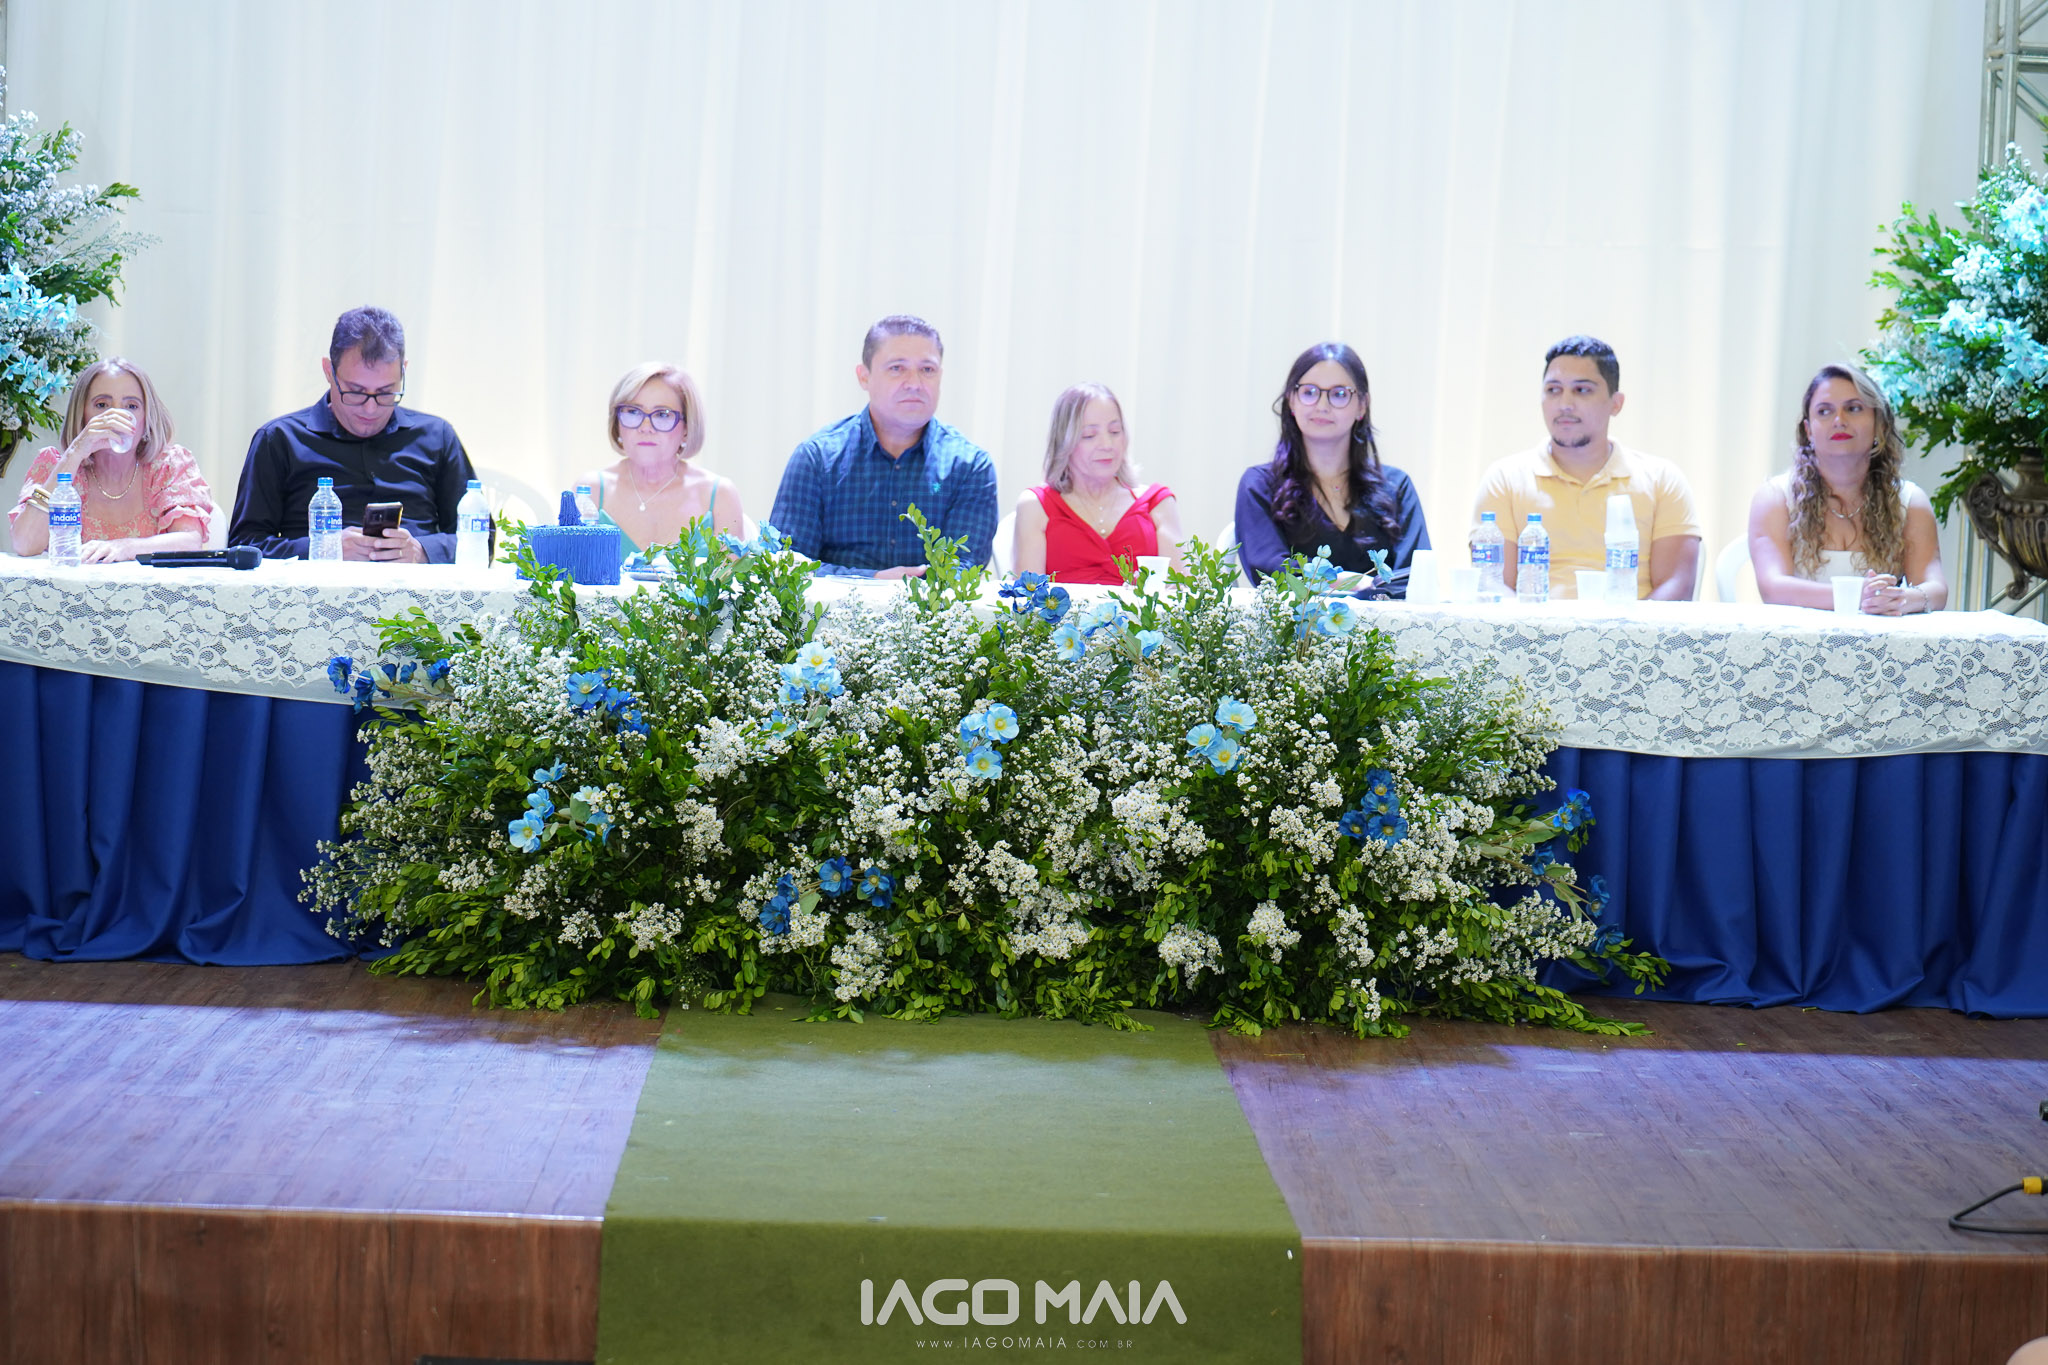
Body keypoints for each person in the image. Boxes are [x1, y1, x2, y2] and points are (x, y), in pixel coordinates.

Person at [228, 306, 475, 563]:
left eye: (386, 392)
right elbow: (244, 545)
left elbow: (481, 538)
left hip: (417, 586)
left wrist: (422, 551)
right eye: (355, 391)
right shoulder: (279, 440)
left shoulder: (437, 436)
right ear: (329, 371)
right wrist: (324, 549)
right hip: (316, 586)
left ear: (403, 371)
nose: (370, 409)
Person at [1472, 335, 1701, 599]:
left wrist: (1622, 627)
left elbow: (1676, 586)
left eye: (1582, 390)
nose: (1565, 404)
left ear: (1616, 403)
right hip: (1533, 624)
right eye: (1553, 390)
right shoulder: (1504, 479)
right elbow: (1492, 584)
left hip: (1632, 623)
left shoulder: (1662, 479)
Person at [770, 314, 997, 578]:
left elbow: (962, 572)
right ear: (864, 377)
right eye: (897, 368)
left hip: (930, 606)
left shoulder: (970, 467)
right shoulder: (817, 459)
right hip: (830, 606)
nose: (914, 384)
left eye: (927, 370)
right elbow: (785, 566)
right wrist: (873, 582)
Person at [1747, 362, 1946, 614]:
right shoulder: (1775, 498)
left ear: (1879, 424)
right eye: (1824, 411)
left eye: (1853, 408)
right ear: (1808, 431)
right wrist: (1856, 596)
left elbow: (1936, 589)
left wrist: (1901, 599)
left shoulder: (1910, 501)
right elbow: (1773, 588)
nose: (1839, 421)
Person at [1234, 342, 1428, 592]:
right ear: (1291, 401)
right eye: (1309, 392)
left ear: (1362, 405)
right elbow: (1270, 572)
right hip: (1297, 619)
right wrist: (1352, 582)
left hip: (1385, 618)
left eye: (1339, 394)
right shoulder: (1259, 485)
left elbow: (1416, 575)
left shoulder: (1397, 486)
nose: (1322, 406)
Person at [8, 357, 218, 562]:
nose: (116, 416)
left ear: (147, 418)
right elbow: (25, 544)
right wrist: (75, 453)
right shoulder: (56, 466)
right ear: (82, 416)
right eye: (102, 405)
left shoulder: (169, 466)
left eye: (131, 406)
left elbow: (189, 542)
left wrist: (125, 547)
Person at [1013, 383, 1183, 584]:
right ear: (1064, 442)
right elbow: (1027, 596)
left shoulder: (1157, 503)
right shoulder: (1035, 505)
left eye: (1115, 432)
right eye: (1089, 435)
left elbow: (1180, 590)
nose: (1107, 445)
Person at [575, 362, 741, 560]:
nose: (646, 427)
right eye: (633, 412)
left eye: (663, 414)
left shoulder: (720, 495)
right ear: (617, 424)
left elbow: (733, 578)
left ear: (687, 428)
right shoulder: (590, 490)